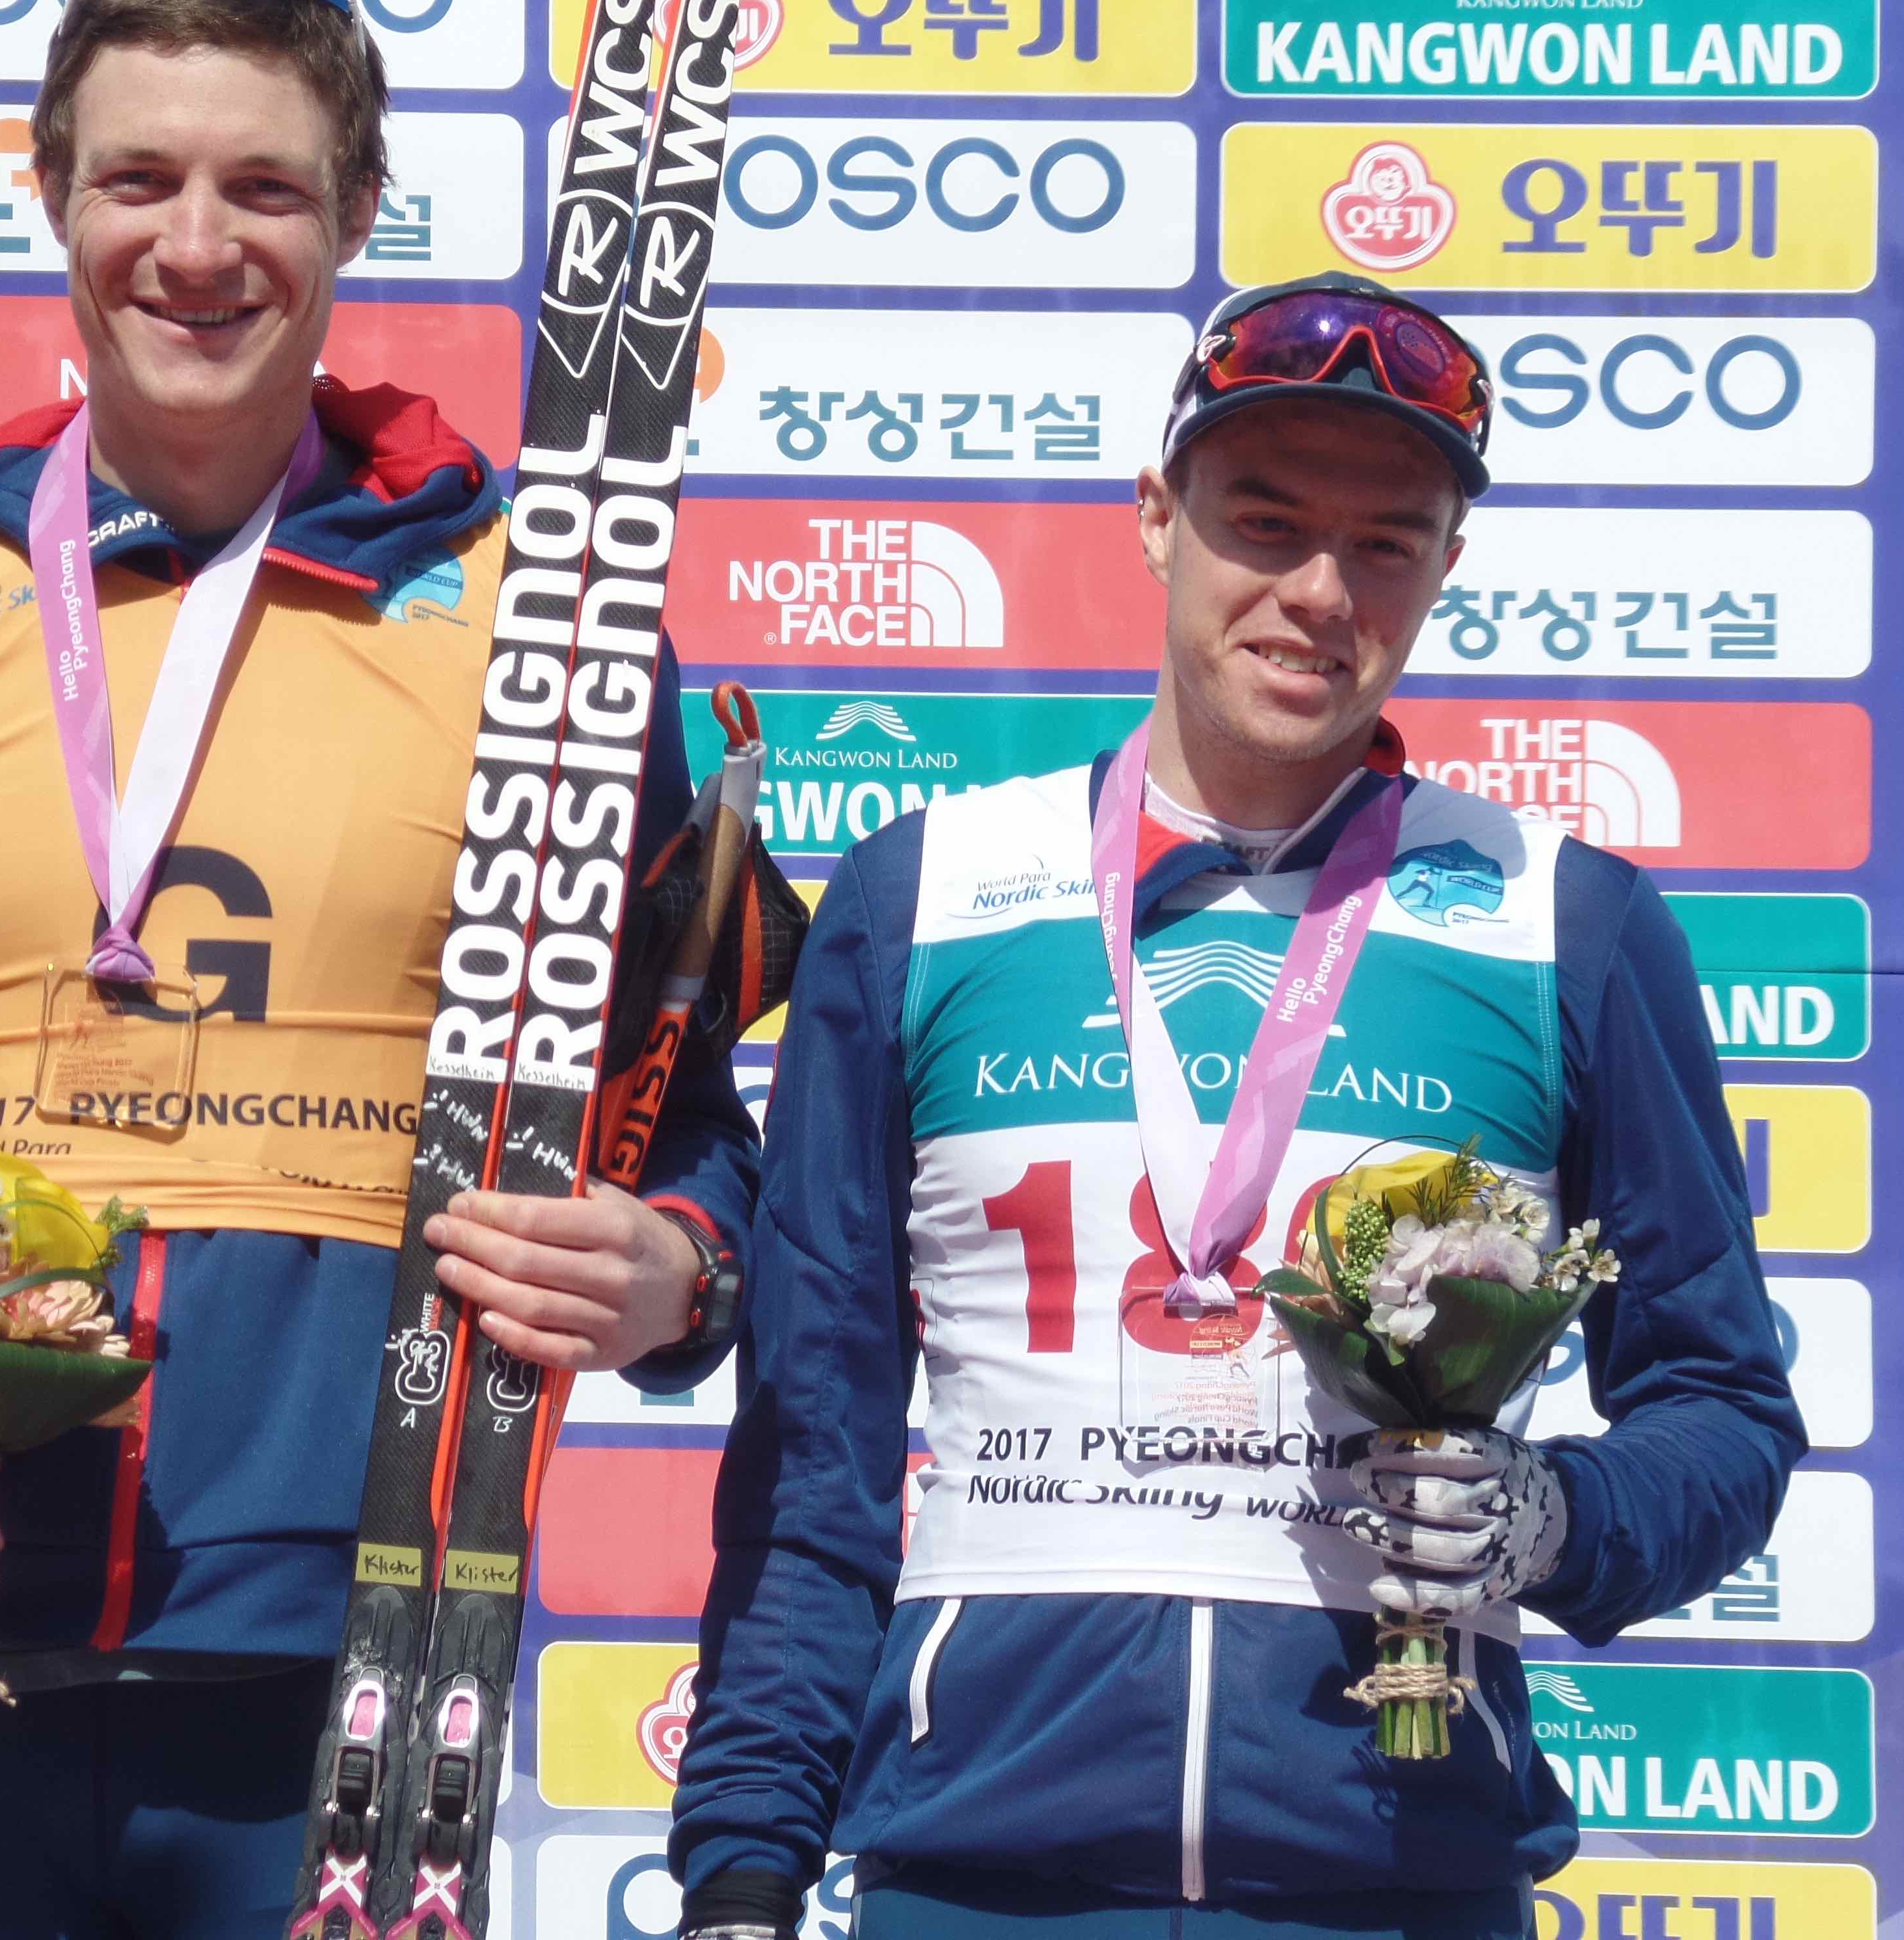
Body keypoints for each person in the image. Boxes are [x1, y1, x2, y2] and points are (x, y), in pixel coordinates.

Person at [0, 0, 757, 1940]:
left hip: (365, 1669)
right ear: (48, 192)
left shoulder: (546, 637)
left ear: (359, 215)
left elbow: (674, 1108)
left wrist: (680, 1270)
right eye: (138, 179)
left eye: (265, 187)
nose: (197, 245)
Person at [666, 274, 1805, 1940]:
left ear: (1446, 570)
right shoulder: (929, 898)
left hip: (1394, 1880)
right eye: (1264, 522)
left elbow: (1724, 1407)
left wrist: (1558, 1520)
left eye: (1389, 544)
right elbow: (814, 1455)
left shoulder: (1567, 919)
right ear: (1155, 515)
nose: (1320, 594)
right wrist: (746, 1870)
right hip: (975, 1884)